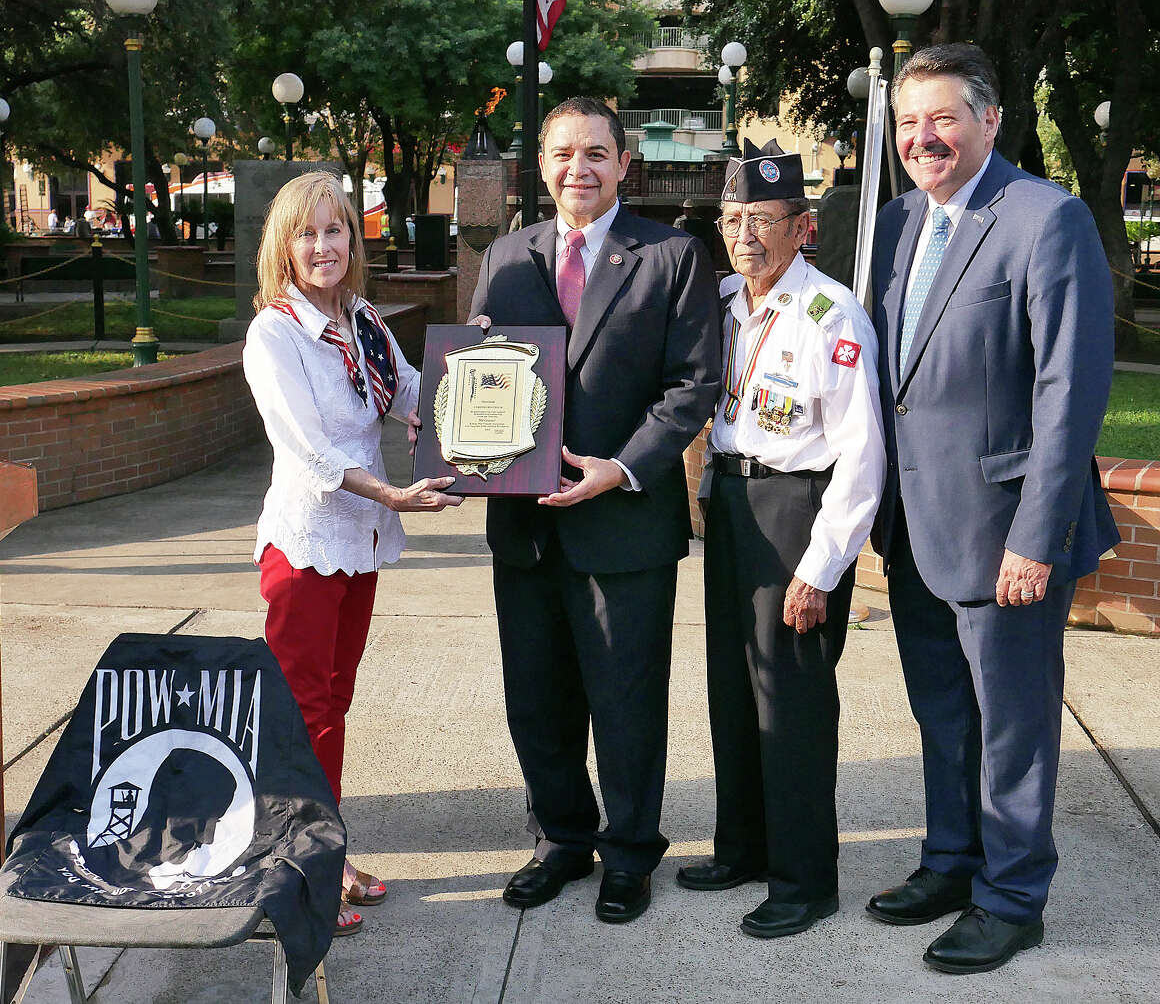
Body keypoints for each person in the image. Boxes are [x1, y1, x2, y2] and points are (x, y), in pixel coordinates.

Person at [866, 43, 1119, 973]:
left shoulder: (1046, 219)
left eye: (942, 118)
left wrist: (1035, 536)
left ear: (990, 122)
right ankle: (951, 860)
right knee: (943, 713)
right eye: (906, 123)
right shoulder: (896, 223)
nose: (921, 138)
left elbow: (1071, 391)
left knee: (1011, 726)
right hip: (916, 530)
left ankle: (1013, 898)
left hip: (1006, 533)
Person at [466, 96, 721, 924]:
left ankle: (630, 850)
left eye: (597, 153)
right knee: (535, 697)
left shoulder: (673, 255)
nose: (580, 168)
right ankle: (562, 838)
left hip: (623, 522)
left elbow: (694, 385)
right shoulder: (506, 255)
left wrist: (620, 467)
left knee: (626, 698)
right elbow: (482, 371)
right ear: (539, 165)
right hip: (526, 525)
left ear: (624, 164)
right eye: (563, 153)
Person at [242, 170, 462, 935]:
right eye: (306, 232)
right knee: (302, 715)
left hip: (356, 544)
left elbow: (407, 392)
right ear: (285, 245)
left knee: (332, 707)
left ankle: (323, 852)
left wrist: (480, 365)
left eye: (335, 229)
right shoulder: (276, 333)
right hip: (306, 547)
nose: (323, 245)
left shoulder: (360, 317)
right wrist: (395, 495)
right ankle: (296, 871)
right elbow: (311, 451)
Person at [681, 138, 884, 938]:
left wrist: (823, 568)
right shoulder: (726, 303)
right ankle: (743, 847)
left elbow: (863, 458)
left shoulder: (830, 314)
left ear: (803, 227)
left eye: (765, 220)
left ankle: (804, 878)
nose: (746, 235)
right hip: (732, 505)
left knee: (792, 701)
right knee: (734, 686)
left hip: (796, 510)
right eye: (734, 220)